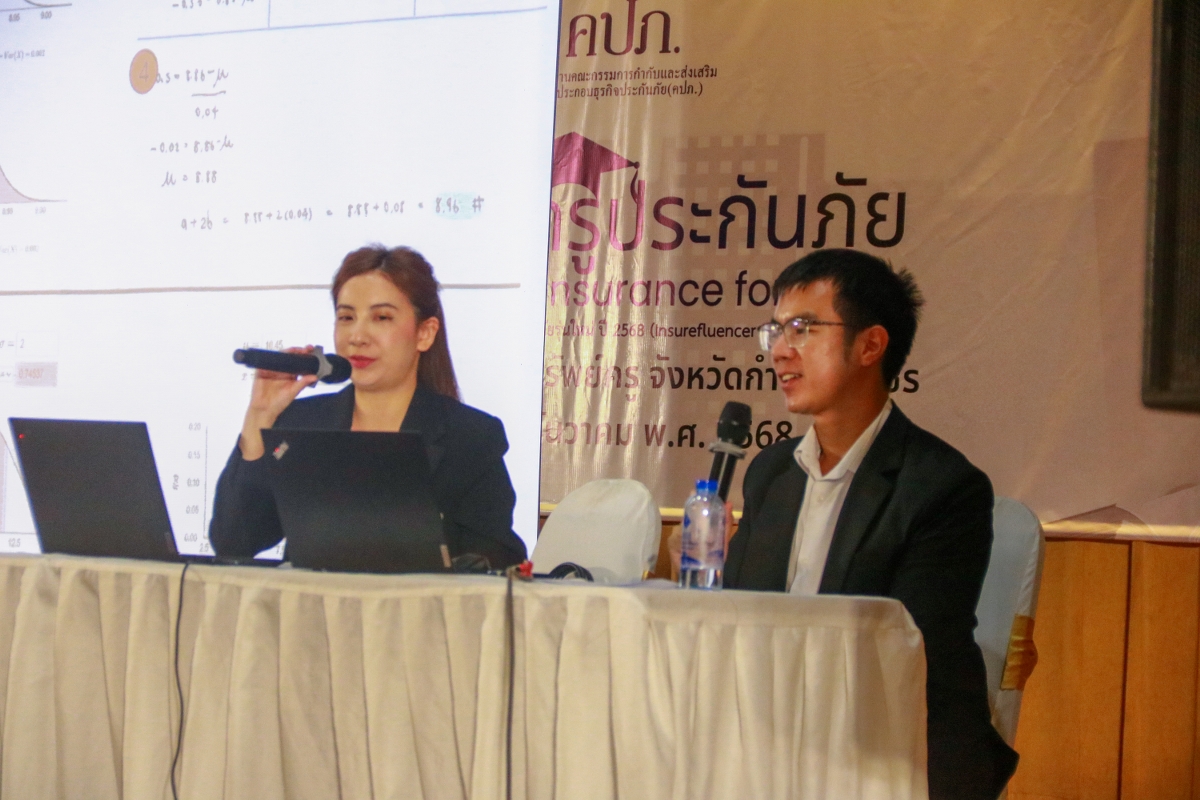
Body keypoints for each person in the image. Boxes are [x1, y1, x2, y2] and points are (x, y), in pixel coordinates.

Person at [724, 249, 1018, 800]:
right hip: (773, 746)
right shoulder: (770, 473)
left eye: (802, 329)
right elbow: (745, 628)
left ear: (870, 345)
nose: (780, 350)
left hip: (886, 756)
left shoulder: (942, 487)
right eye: (776, 331)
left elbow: (902, 661)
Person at [209, 245, 527, 569]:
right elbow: (233, 542)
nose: (357, 336)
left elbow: (496, 561)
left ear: (425, 333)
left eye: (381, 317)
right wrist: (260, 416)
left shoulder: (470, 437)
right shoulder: (303, 423)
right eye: (346, 317)